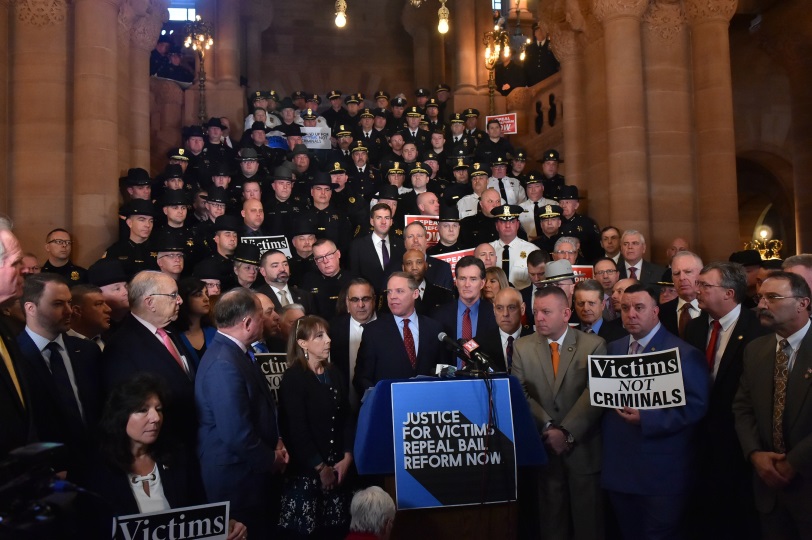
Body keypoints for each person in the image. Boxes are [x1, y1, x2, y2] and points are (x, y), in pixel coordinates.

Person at [602, 283, 709, 539]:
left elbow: (696, 408)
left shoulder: (684, 354)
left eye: (639, 308)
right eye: (625, 308)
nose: (631, 314)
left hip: (662, 475)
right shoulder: (612, 349)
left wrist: (647, 418)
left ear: (655, 311)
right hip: (619, 471)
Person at [86, 374, 247, 540]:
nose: (155, 418)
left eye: (158, 409)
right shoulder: (96, 470)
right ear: (121, 416)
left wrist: (225, 526)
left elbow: (200, 512)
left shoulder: (177, 456)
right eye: (143, 410)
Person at [511, 286, 607, 540]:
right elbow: (520, 394)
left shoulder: (594, 345)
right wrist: (548, 428)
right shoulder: (522, 347)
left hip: (584, 452)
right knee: (551, 526)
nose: (538, 318)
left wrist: (566, 432)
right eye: (535, 312)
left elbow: (595, 394)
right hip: (546, 452)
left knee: (590, 526)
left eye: (546, 312)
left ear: (566, 314)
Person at [196, 288, 288, 538]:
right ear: (248, 323)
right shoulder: (223, 364)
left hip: (248, 473)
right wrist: (272, 459)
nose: (266, 321)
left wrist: (277, 441)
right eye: (261, 316)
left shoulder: (235, 353)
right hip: (237, 482)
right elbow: (236, 433)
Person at [684, 262, 767, 539]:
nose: (697, 290)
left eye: (705, 285)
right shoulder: (695, 328)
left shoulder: (758, 330)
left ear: (729, 293)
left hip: (738, 444)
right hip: (698, 441)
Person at [733, 271, 812, 538]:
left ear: (803, 303)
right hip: (768, 489)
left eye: (773, 297)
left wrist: (794, 462)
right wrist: (755, 454)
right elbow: (742, 408)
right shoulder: (756, 350)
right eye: (760, 297)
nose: (762, 305)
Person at [16, 273, 102, 475]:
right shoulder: (15, 357)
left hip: (99, 466)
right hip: (48, 473)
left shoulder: (88, 351)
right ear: (31, 308)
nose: (69, 311)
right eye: (57, 304)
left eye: (70, 302)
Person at [278, 315, 355, 538]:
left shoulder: (334, 373)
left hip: (339, 471)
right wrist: (321, 468)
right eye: (320, 336)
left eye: (327, 334)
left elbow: (347, 418)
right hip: (307, 477)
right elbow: (296, 429)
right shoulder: (294, 378)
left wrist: (347, 457)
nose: (328, 340)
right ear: (303, 343)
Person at [102, 271, 196, 447]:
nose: (180, 300)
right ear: (150, 302)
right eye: (173, 295)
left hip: (188, 439)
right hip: (160, 445)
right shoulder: (121, 345)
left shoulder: (170, 331)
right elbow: (125, 407)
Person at [354, 272, 446, 397]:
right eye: (389, 292)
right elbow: (361, 378)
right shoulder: (373, 331)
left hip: (427, 407)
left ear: (415, 293)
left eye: (399, 291)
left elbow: (443, 371)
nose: (392, 297)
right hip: (388, 407)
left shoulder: (434, 328)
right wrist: (379, 398)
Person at [432, 257, 497, 369]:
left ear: (482, 283)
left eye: (473, 279)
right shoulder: (438, 315)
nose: (467, 284)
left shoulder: (494, 314)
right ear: (456, 282)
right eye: (462, 278)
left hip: (485, 381)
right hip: (450, 382)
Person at [329, 278, 378, 408]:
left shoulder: (389, 326)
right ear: (347, 302)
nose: (360, 305)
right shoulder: (333, 329)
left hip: (379, 404)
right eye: (355, 300)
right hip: (344, 408)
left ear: (374, 300)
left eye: (365, 299)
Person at [473, 287, 532, 373]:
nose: (505, 314)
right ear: (494, 310)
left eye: (511, 307)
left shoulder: (537, 341)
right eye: (499, 308)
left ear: (522, 309)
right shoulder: (479, 345)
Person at [349, 203, 405, 294]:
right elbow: (354, 277)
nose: (383, 222)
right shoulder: (357, 246)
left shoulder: (401, 245)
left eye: (387, 218)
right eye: (379, 218)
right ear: (372, 221)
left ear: (391, 221)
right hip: (368, 299)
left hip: (395, 299)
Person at [489, 204, 539, 289]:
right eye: (503, 222)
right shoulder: (488, 249)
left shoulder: (531, 250)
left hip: (522, 298)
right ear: (497, 226)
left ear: (518, 225)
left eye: (512, 221)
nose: (507, 225)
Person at [173, 277, 217, 370]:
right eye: (198, 295)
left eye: (206, 294)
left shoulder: (214, 333)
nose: (206, 299)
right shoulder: (173, 336)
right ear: (184, 298)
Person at [659, 250, 703, 338]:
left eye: (688, 272)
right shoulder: (660, 313)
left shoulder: (714, 311)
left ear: (701, 274)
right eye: (676, 273)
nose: (682, 278)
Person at [68, 284, 112, 349]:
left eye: (105, 303)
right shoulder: (63, 345)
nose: (108, 309)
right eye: (99, 304)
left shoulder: (113, 340)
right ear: (77, 311)